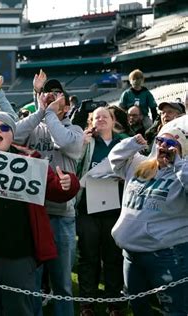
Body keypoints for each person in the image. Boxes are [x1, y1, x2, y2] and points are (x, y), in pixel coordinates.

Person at [0, 111, 80, 316]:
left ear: (12, 134)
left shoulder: (29, 161)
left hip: (21, 255)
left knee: (19, 309)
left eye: (4, 127)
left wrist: (69, 183)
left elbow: (57, 191)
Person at [14, 77, 84, 316]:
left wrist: (51, 114)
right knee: (32, 283)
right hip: (33, 213)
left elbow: (66, 143)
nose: (52, 95)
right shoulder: (35, 125)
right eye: (48, 92)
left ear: (67, 102)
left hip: (61, 216)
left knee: (62, 284)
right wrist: (41, 110)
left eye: (58, 92)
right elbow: (14, 134)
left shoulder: (75, 129)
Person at [108, 127, 188, 315]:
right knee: (139, 307)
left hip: (167, 256)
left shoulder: (181, 174)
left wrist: (178, 164)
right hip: (131, 254)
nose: (163, 147)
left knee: (175, 310)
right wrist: (133, 143)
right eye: (160, 141)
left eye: (171, 145)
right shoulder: (141, 164)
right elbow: (115, 159)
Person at [76, 106, 126, 316]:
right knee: (88, 256)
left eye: (106, 116)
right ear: (91, 122)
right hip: (88, 209)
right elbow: (75, 167)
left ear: (113, 120)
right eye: (97, 117)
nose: (101, 119)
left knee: (113, 256)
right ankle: (87, 302)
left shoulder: (123, 143)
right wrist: (81, 145)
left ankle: (113, 301)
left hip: (116, 209)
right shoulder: (86, 143)